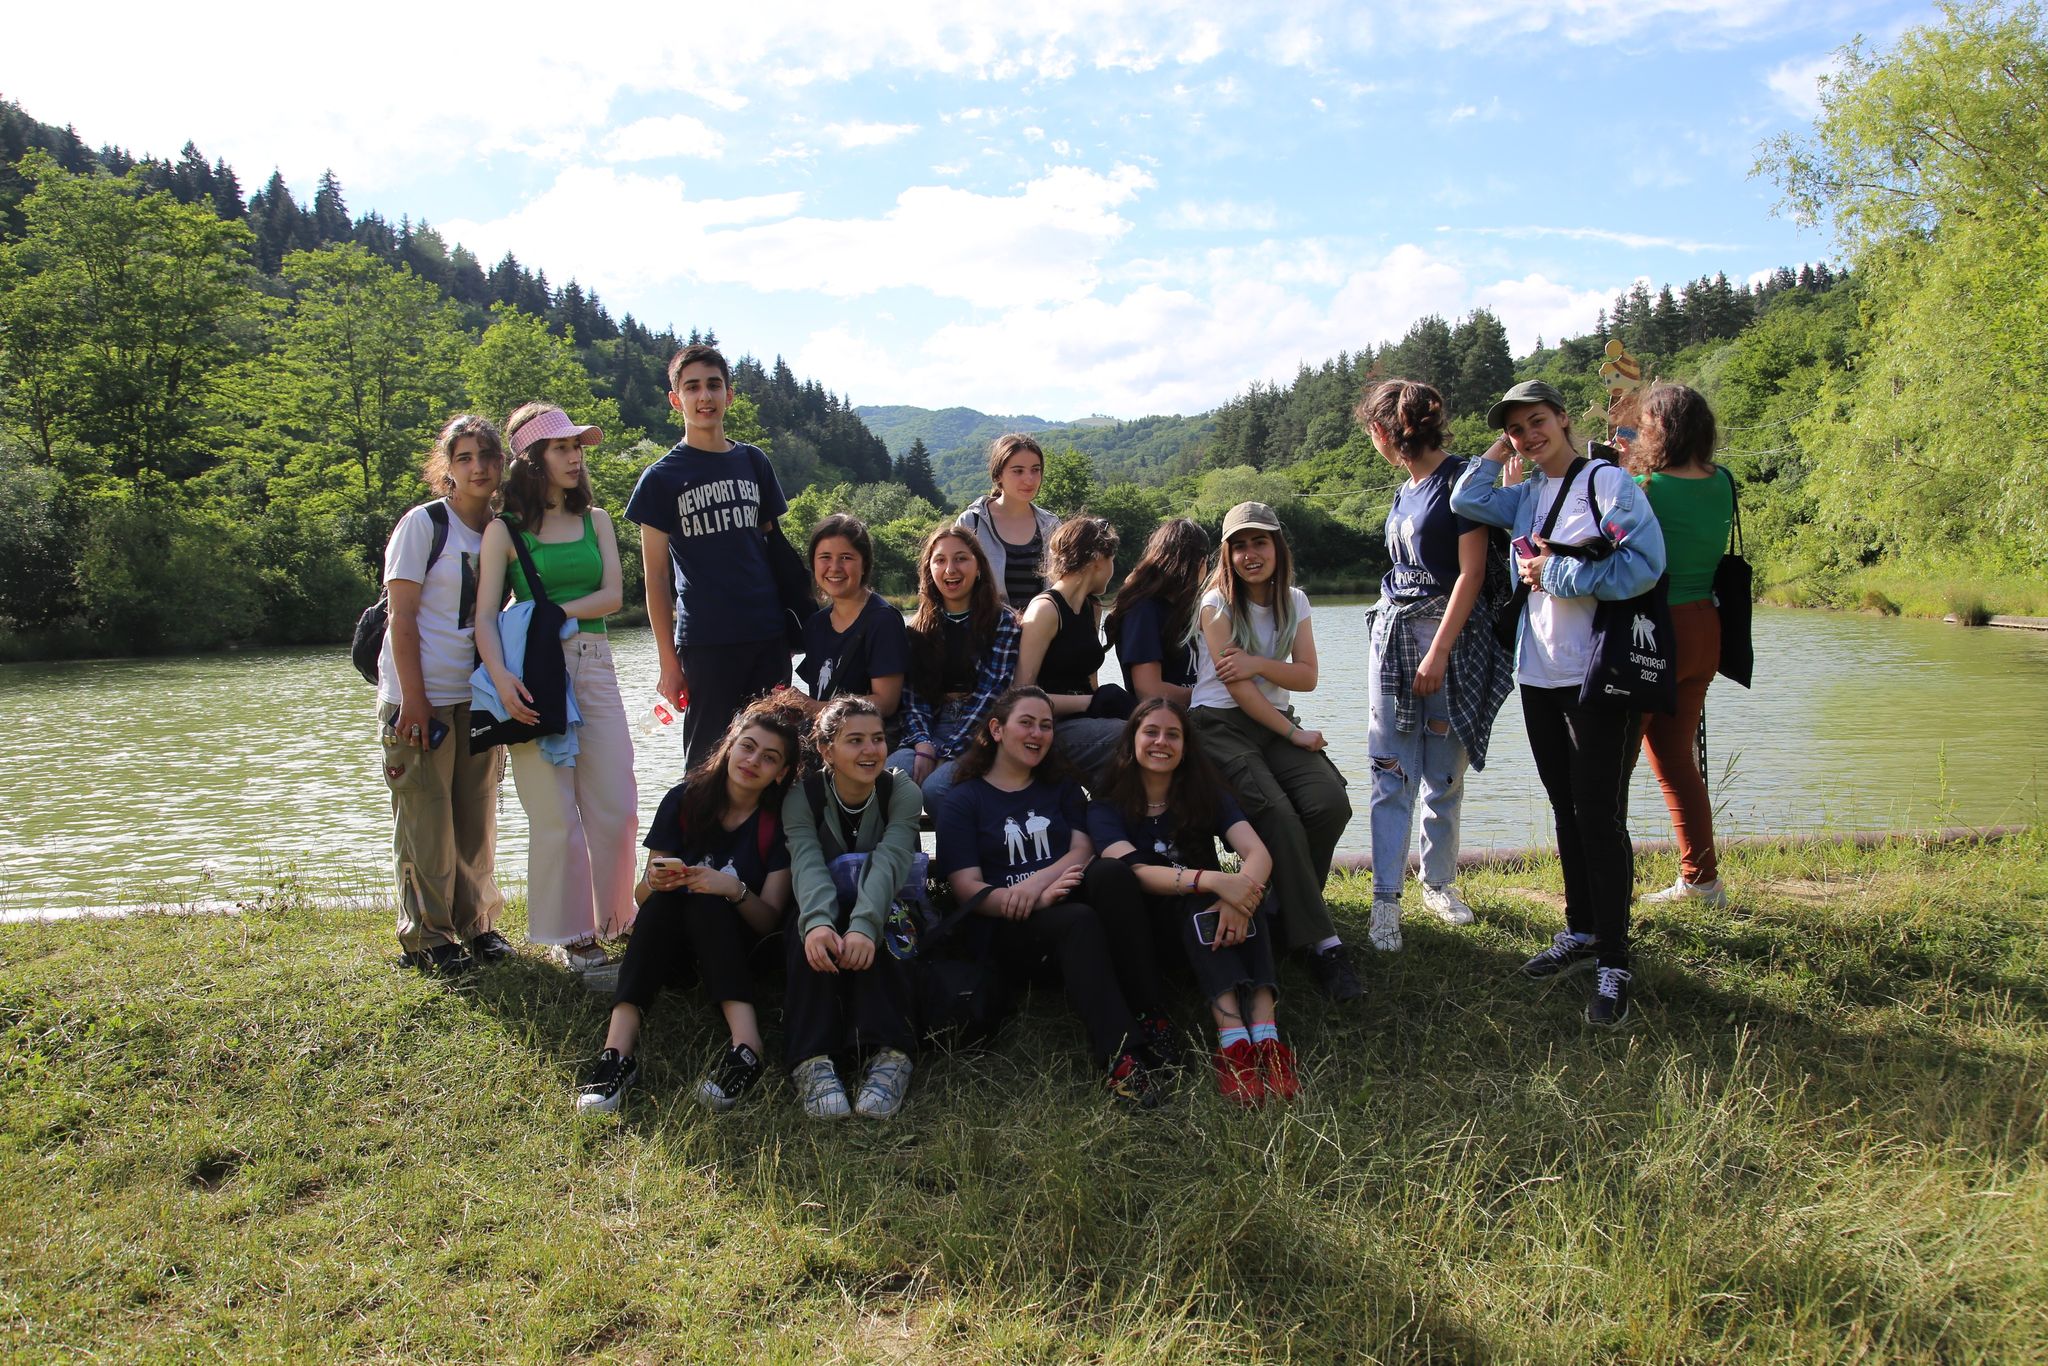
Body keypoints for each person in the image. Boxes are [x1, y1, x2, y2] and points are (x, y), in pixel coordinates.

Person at [1451, 379, 1668, 1027]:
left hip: (1598, 675)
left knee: (1599, 815)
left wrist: (1559, 573)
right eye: (1516, 429)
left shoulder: (1607, 484)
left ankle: (1615, 960)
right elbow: (1467, 497)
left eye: (1537, 421)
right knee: (1566, 809)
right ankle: (1580, 930)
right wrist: (1501, 447)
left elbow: (1646, 563)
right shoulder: (1525, 496)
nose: (1528, 436)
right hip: (1539, 676)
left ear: (1564, 419)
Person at [934, 687, 1166, 1108]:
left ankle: (1150, 1014)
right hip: (1010, 929)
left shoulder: (1060, 787)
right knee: (1077, 919)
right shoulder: (963, 800)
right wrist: (1029, 899)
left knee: (1112, 874)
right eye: (1026, 723)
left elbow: (1083, 849)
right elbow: (967, 887)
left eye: (1045, 725)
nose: (1037, 734)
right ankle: (1121, 1056)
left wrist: (1037, 882)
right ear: (997, 729)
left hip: (1063, 898)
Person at [575, 696, 802, 1113]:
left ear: (781, 773)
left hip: (742, 951)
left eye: (769, 758)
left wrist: (731, 888)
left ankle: (747, 1046)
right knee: (663, 903)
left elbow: (769, 920)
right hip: (675, 955)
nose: (753, 761)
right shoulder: (683, 800)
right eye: (747, 746)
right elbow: (641, 897)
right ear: (730, 744)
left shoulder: (780, 821)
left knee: (707, 902)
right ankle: (617, 1053)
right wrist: (655, 881)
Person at [474, 402, 637, 975]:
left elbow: (613, 596)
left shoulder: (597, 520)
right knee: (554, 815)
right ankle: (572, 937)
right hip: (532, 674)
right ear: (532, 458)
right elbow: (484, 616)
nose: (575, 457)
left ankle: (616, 920)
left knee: (617, 806)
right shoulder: (505, 530)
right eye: (562, 447)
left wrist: (555, 614)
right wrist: (501, 679)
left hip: (593, 664)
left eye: (577, 448)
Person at [1357, 380, 1514, 952]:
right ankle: (1385, 900)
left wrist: (1440, 650)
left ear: (1383, 431)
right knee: (1390, 770)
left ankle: (1439, 882)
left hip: (1451, 644)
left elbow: (1471, 573)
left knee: (1444, 774)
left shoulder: (1461, 480)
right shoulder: (1405, 490)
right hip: (1394, 645)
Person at [1187, 502, 1360, 1004]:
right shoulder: (1216, 604)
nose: (1250, 554)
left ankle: (1282, 911)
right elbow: (1237, 688)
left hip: (1276, 722)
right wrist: (1292, 733)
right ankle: (1324, 944)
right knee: (1278, 815)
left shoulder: (1296, 601)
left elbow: (1307, 676)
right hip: (1219, 723)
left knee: (1329, 802)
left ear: (1277, 547)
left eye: (1259, 542)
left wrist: (1259, 663)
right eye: (1239, 545)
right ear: (1227, 555)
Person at [1090, 699, 1298, 1106]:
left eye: (1173, 734)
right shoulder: (1106, 802)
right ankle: (1233, 1041)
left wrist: (1239, 897)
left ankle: (1266, 1037)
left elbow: (1258, 853)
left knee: (1246, 893)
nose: (1161, 742)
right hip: (1153, 932)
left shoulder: (1206, 792)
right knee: (1207, 899)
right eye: (1151, 732)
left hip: (1211, 916)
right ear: (1132, 740)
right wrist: (1214, 881)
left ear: (1186, 747)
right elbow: (1134, 870)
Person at [377, 415, 510, 975]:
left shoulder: (502, 530)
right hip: (420, 698)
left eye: (487, 456)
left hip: (476, 697)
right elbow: (401, 616)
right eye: (464, 457)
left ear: (501, 465)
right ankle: (427, 938)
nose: (478, 467)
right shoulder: (424, 525)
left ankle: (478, 926)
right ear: (447, 468)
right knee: (426, 824)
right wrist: (414, 698)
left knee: (476, 821)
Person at [627, 343, 793, 772]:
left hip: (767, 634)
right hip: (706, 640)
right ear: (675, 399)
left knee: (775, 755)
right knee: (707, 764)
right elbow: (655, 578)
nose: (705, 397)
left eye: (714, 386)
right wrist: (668, 662)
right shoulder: (660, 478)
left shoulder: (753, 461)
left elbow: (774, 547)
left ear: (729, 395)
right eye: (693, 387)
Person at [781, 697, 924, 1120]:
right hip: (821, 901)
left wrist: (864, 925)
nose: (870, 750)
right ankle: (812, 1060)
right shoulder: (802, 796)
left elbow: (891, 860)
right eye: (855, 740)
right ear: (826, 750)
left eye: (877, 739)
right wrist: (818, 923)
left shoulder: (900, 790)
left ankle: (892, 1055)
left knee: (894, 929)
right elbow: (806, 862)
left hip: (886, 900)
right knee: (806, 936)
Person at [1622, 383, 1734, 908]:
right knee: (1676, 761)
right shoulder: (1724, 481)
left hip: (1653, 634)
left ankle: (1610, 886)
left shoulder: (1644, 487)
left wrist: (1619, 467)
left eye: (1645, 426)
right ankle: (1702, 881)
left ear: (1660, 430)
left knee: (1613, 763)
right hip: (1705, 628)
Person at [888, 525, 1022, 817]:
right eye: (940, 560)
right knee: (890, 778)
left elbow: (992, 694)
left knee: (938, 789)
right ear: (929, 570)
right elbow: (913, 698)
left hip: (982, 729)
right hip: (930, 726)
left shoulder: (1003, 622)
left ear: (979, 567)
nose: (950, 569)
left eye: (961, 558)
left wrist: (947, 753)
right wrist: (924, 745)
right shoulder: (917, 628)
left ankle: (963, 848)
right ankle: (904, 848)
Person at [1014, 515, 1128, 783]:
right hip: (1047, 728)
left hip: (1086, 721)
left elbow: (1091, 681)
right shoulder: (1045, 610)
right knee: (1132, 735)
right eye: (1112, 560)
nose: (1113, 569)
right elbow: (1020, 697)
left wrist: (1102, 700)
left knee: (1157, 728)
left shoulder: (1092, 608)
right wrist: (1092, 702)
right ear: (1098, 559)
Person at [796, 513, 908, 724]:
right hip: (826, 739)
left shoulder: (883, 621)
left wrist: (812, 708)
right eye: (825, 557)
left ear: (864, 564)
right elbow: (820, 693)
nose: (834, 567)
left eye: (846, 557)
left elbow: (886, 702)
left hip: (868, 739)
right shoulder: (815, 624)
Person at [1103, 518, 1209, 709]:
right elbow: (1149, 690)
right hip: (1163, 717)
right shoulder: (1144, 611)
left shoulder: (1188, 609)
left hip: (1196, 712)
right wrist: (1215, 696)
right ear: (1200, 563)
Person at [956, 433, 1062, 608]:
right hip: (986, 624)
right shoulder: (972, 522)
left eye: (1035, 470)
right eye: (1018, 471)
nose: (1029, 479)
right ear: (998, 475)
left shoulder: (1051, 526)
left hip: (1041, 625)